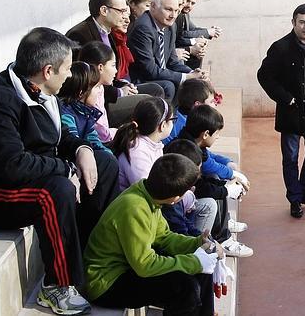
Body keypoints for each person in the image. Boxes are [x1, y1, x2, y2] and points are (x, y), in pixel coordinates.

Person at [0, 27, 119, 314]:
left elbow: (59, 137)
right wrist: (65, 169)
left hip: (28, 176)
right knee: (56, 191)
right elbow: (12, 167)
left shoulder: (41, 90)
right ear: (48, 71)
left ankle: (93, 255)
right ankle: (58, 286)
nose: (70, 75)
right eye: (66, 68)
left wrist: (81, 151)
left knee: (105, 164)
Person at [83, 154, 220, 315]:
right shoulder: (135, 208)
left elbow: (164, 238)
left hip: (129, 267)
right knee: (185, 288)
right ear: (176, 198)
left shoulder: (149, 195)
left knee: (201, 267)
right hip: (106, 283)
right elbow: (145, 265)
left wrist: (198, 244)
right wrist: (194, 261)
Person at [257, 4, 305, 219]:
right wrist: (285, 97)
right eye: (302, 22)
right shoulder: (280, 47)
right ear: (293, 23)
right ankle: (295, 198)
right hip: (291, 111)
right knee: (290, 158)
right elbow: (264, 75)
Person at [177, 105, 253, 257]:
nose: (218, 137)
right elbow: (200, 188)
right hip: (181, 205)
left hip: (189, 196)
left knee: (215, 180)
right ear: (205, 134)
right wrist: (227, 189)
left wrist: (226, 185)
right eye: (217, 133)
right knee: (211, 200)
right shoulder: (187, 151)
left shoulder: (192, 141)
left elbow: (207, 170)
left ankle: (223, 228)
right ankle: (220, 239)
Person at [163, 139, 251, 257]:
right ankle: (210, 247)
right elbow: (180, 230)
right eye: (197, 171)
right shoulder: (170, 201)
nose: (199, 174)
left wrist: (207, 240)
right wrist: (203, 248)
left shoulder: (187, 152)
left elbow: (186, 223)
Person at [127, 0, 206, 101]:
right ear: (153, 6)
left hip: (156, 75)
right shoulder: (143, 28)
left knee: (194, 82)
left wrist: (193, 73)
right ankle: (167, 117)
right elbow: (150, 70)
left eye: (176, 11)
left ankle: (179, 117)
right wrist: (186, 77)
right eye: (168, 9)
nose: (173, 15)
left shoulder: (171, 26)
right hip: (139, 80)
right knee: (169, 86)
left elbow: (173, 62)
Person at [58, 61, 112, 154]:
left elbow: (93, 139)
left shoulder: (86, 112)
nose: (99, 92)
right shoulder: (66, 115)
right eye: (96, 87)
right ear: (81, 92)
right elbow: (72, 144)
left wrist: (108, 154)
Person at [163, 78, 216, 145]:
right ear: (197, 105)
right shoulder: (190, 127)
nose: (214, 105)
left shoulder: (180, 116)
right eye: (211, 102)